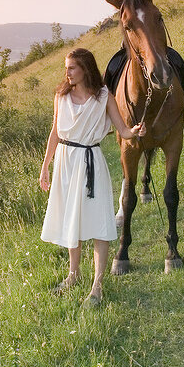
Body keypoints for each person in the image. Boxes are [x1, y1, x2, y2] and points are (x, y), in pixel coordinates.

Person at [39, 48, 145, 307]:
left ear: (85, 69)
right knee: (70, 219)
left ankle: (97, 287)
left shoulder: (103, 97)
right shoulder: (61, 96)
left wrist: (134, 131)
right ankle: (73, 275)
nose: (67, 72)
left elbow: (121, 129)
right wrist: (45, 167)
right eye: (66, 67)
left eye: (72, 67)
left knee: (98, 223)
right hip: (66, 162)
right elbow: (55, 132)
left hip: (90, 163)